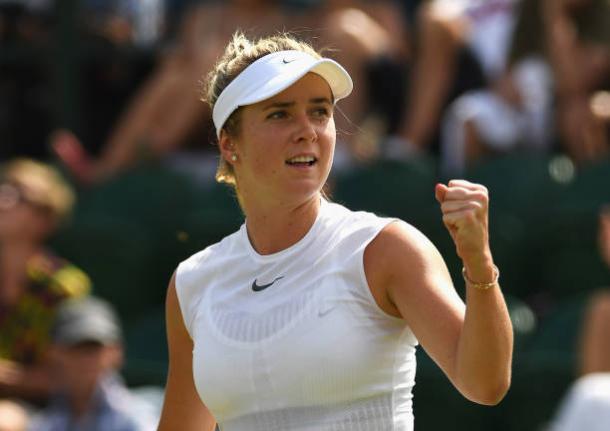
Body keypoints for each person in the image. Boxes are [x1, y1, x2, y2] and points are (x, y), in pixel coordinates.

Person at [157, 32, 513, 430]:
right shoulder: (193, 284)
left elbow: (485, 384)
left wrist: (479, 263)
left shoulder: (386, 249)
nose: (307, 130)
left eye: (320, 111)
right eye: (280, 113)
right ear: (229, 144)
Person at [0, 159, 90, 404]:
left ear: (45, 219)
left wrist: (9, 378)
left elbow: (70, 378)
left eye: (20, 196)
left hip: (40, 412)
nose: (3, 201)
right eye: (4, 189)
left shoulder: (64, 287)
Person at [29, 296, 159, 431]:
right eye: (76, 347)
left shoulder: (136, 416)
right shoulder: (45, 421)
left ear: (116, 352)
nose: (86, 359)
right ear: (55, 353)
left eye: (95, 348)